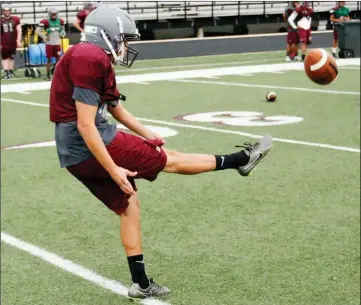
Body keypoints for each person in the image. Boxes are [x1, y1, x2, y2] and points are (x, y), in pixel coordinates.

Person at [49, 6, 273, 299]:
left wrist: (148, 134)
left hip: (74, 153)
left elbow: (115, 107)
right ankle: (241, 160)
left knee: (129, 203)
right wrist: (114, 168)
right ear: (108, 35)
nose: (126, 46)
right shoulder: (89, 58)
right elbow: (86, 124)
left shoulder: (91, 56)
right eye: (123, 39)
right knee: (172, 161)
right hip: (88, 143)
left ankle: (140, 284)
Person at [35, 8, 65, 80]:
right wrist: (44, 37)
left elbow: (63, 30)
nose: (54, 16)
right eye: (52, 14)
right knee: (49, 59)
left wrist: (62, 34)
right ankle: (48, 75)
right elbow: (37, 31)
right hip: (49, 44)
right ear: (50, 14)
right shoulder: (46, 22)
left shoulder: (60, 21)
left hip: (57, 43)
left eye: (55, 14)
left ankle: (57, 74)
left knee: (58, 59)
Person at [1, 3, 22, 79]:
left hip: (13, 42)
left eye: (8, 10)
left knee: (12, 57)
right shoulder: (1, 20)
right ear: (2, 11)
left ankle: (11, 71)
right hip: (3, 42)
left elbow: (19, 30)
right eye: (5, 11)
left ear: (10, 11)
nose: (7, 12)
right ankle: (6, 72)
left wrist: (18, 40)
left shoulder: (15, 19)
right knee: (5, 58)